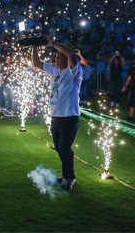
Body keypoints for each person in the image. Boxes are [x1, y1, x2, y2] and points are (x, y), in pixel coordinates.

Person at [31, 38, 83, 192]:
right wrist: (34, 46)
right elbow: (36, 63)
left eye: (60, 56)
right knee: (60, 148)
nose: (56, 58)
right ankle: (66, 174)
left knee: (64, 147)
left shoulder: (74, 72)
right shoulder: (55, 70)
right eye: (56, 56)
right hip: (56, 117)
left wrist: (51, 44)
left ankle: (69, 178)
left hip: (70, 117)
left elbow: (71, 55)